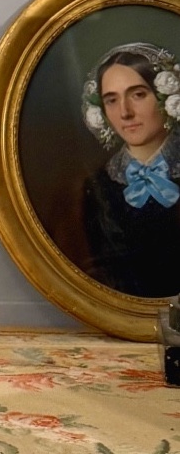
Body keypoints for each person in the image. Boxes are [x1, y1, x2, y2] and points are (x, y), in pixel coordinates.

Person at [81, 43, 180, 297]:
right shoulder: (98, 186)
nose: (125, 112)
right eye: (111, 100)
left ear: (166, 97)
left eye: (138, 94)